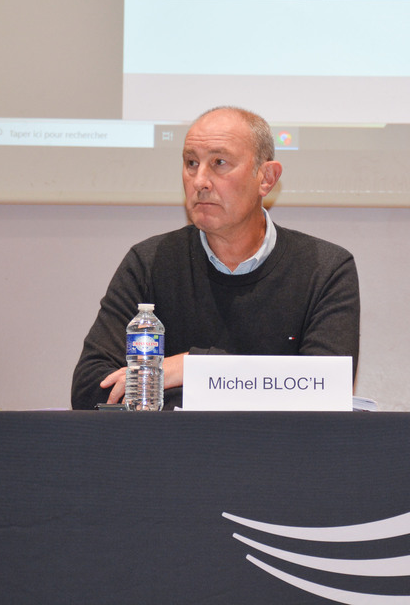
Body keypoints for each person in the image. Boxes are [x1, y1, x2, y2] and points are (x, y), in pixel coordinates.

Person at [71, 106, 360, 409]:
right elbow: (90, 389)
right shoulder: (149, 262)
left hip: (276, 454)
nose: (200, 181)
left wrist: (193, 369)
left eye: (219, 163)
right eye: (191, 163)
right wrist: (246, 383)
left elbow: (325, 393)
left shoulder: (325, 268)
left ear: (266, 178)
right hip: (171, 453)